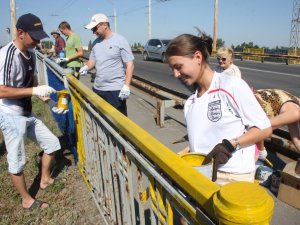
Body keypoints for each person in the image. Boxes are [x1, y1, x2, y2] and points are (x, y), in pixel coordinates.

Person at [165, 34, 272, 186]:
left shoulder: (231, 86)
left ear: (197, 57)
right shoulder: (190, 103)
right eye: (172, 69)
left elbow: (265, 128)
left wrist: (231, 145)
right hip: (201, 175)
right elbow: (206, 141)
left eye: (178, 67)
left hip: (232, 178)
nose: (175, 74)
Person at [0, 13, 62, 209]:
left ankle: (43, 179)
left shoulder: (32, 53)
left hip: (27, 112)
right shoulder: (7, 55)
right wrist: (34, 90)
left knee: (52, 144)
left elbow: (32, 81)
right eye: (34, 36)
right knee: (17, 160)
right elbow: (1, 90)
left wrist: (48, 101)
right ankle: (27, 200)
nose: (38, 40)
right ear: (20, 33)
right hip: (10, 115)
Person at [79, 13, 134, 116]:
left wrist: (126, 86)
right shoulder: (95, 43)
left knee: (118, 121)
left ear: (104, 25)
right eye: (92, 30)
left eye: (95, 29)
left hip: (115, 90)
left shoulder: (120, 40)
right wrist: (86, 67)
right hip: (98, 89)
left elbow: (130, 65)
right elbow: (92, 61)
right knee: (101, 119)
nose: (94, 32)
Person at [254, 89, 300, 160]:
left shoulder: (295, 107)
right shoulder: (295, 113)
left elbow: (297, 140)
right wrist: (261, 150)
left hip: (248, 99)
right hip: (251, 107)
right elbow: (260, 129)